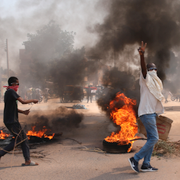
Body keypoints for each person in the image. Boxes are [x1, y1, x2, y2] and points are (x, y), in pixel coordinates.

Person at [128, 42, 164, 173]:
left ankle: (146, 164)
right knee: (154, 138)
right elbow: (143, 69)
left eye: (155, 69)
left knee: (151, 139)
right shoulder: (146, 79)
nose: (153, 71)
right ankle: (135, 159)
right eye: (151, 69)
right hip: (146, 113)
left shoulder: (155, 83)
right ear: (148, 71)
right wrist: (142, 56)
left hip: (151, 113)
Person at [0, 76, 39, 166]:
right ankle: (1, 153)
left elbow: (13, 107)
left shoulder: (8, 92)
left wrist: (23, 112)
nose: (18, 86)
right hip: (12, 121)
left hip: (10, 120)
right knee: (19, 139)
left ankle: (27, 161)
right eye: (17, 84)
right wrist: (33, 100)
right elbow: (23, 101)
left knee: (23, 138)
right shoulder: (11, 91)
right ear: (13, 84)